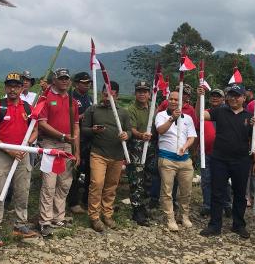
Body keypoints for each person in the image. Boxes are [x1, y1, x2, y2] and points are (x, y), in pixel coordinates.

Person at [198, 84, 255, 239]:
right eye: (230, 95)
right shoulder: (220, 111)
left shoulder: (250, 116)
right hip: (220, 159)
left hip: (241, 160)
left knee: (239, 194)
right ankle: (214, 225)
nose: (233, 98)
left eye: (237, 95)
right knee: (217, 192)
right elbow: (201, 115)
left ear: (244, 98)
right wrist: (200, 97)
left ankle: (238, 225)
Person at [0, 72, 39, 244]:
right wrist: (9, 150)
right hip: (2, 154)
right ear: (5, 87)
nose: (13, 89)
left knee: (22, 190)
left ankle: (20, 224)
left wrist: (26, 145)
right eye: (10, 86)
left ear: (22, 88)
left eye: (17, 86)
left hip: (23, 154)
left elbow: (35, 130)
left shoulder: (28, 108)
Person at [81, 81, 131, 232]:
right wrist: (93, 130)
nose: (107, 95)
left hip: (117, 155)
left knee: (111, 186)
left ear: (116, 95)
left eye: (111, 93)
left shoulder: (123, 112)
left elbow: (129, 130)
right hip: (98, 153)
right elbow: (84, 130)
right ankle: (94, 216)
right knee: (96, 183)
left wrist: (126, 135)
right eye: (105, 92)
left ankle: (107, 214)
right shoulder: (93, 110)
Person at [37, 68, 80, 237]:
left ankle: (58, 216)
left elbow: (76, 126)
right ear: (54, 80)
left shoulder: (73, 101)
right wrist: (62, 135)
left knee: (64, 183)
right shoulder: (46, 98)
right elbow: (42, 123)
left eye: (66, 78)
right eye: (61, 78)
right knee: (49, 184)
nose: (64, 81)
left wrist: (76, 148)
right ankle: (45, 221)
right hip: (50, 144)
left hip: (68, 147)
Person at [155, 90, 197, 231]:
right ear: (167, 100)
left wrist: (185, 146)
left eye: (176, 100)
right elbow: (160, 130)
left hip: (184, 159)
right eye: (171, 99)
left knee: (186, 190)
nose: (173, 101)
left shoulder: (188, 118)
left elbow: (191, 137)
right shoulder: (161, 115)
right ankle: (170, 217)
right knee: (167, 190)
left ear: (182, 102)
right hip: (167, 159)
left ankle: (183, 215)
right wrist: (172, 118)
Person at [126, 80, 154, 226]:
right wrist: (141, 135)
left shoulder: (152, 108)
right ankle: (136, 209)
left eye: (145, 91)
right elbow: (132, 129)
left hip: (151, 147)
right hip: (137, 146)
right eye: (139, 91)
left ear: (149, 94)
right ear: (135, 93)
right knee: (136, 179)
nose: (142, 94)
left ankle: (145, 205)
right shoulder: (131, 109)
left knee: (149, 178)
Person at [67, 72, 93, 214]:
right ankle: (73, 202)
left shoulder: (89, 99)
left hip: (89, 139)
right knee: (74, 171)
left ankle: (87, 200)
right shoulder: (71, 98)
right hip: (76, 138)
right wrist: (82, 116)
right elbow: (71, 119)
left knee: (90, 170)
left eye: (88, 82)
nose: (87, 84)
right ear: (76, 84)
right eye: (84, 82)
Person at [198, 89, 224, 217]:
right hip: (205, 153)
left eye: (218, 96)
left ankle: (227, 204)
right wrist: (199, 97)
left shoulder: (227, 112)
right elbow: (198, 115)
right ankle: (207, 205)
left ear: (223, 99)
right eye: (213, 96)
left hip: (222, 154)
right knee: (206, 180)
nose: (215, 98)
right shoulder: (206, 112)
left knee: (223, 181)